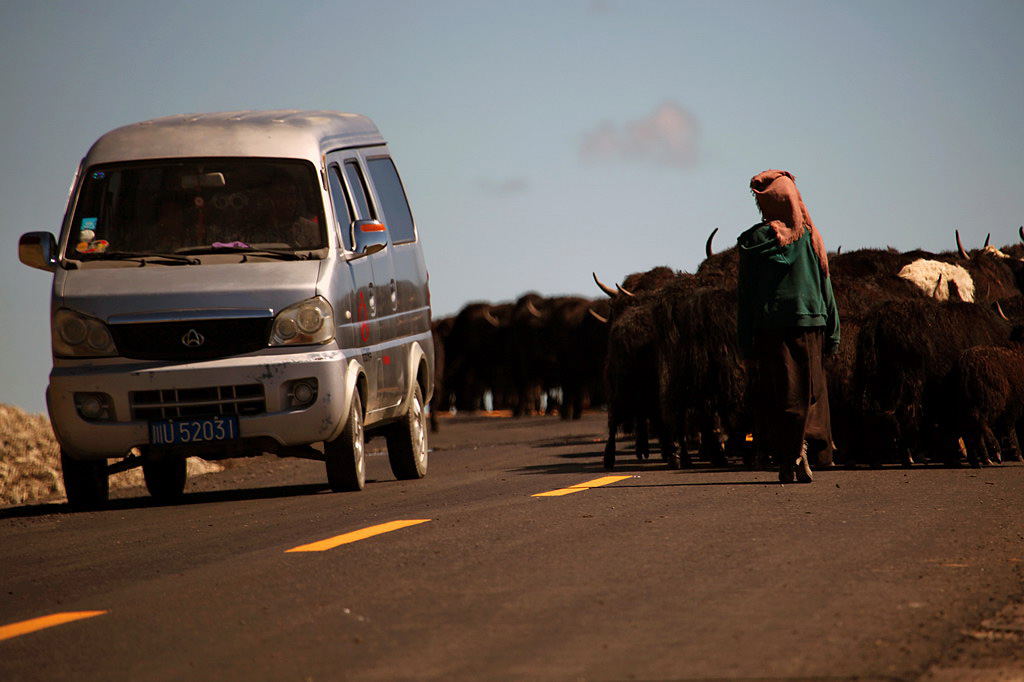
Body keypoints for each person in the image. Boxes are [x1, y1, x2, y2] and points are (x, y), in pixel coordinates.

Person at [736, 169, 839, 483]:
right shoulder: (810, 236)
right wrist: (833, 332)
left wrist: (745, 345)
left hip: (770, 329)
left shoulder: (752, 241)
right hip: (811, 323)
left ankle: (788, 454)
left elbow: (746, 297)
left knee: (781, 394)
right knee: (810, 392)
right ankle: (800, 448)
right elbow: (825, 284)